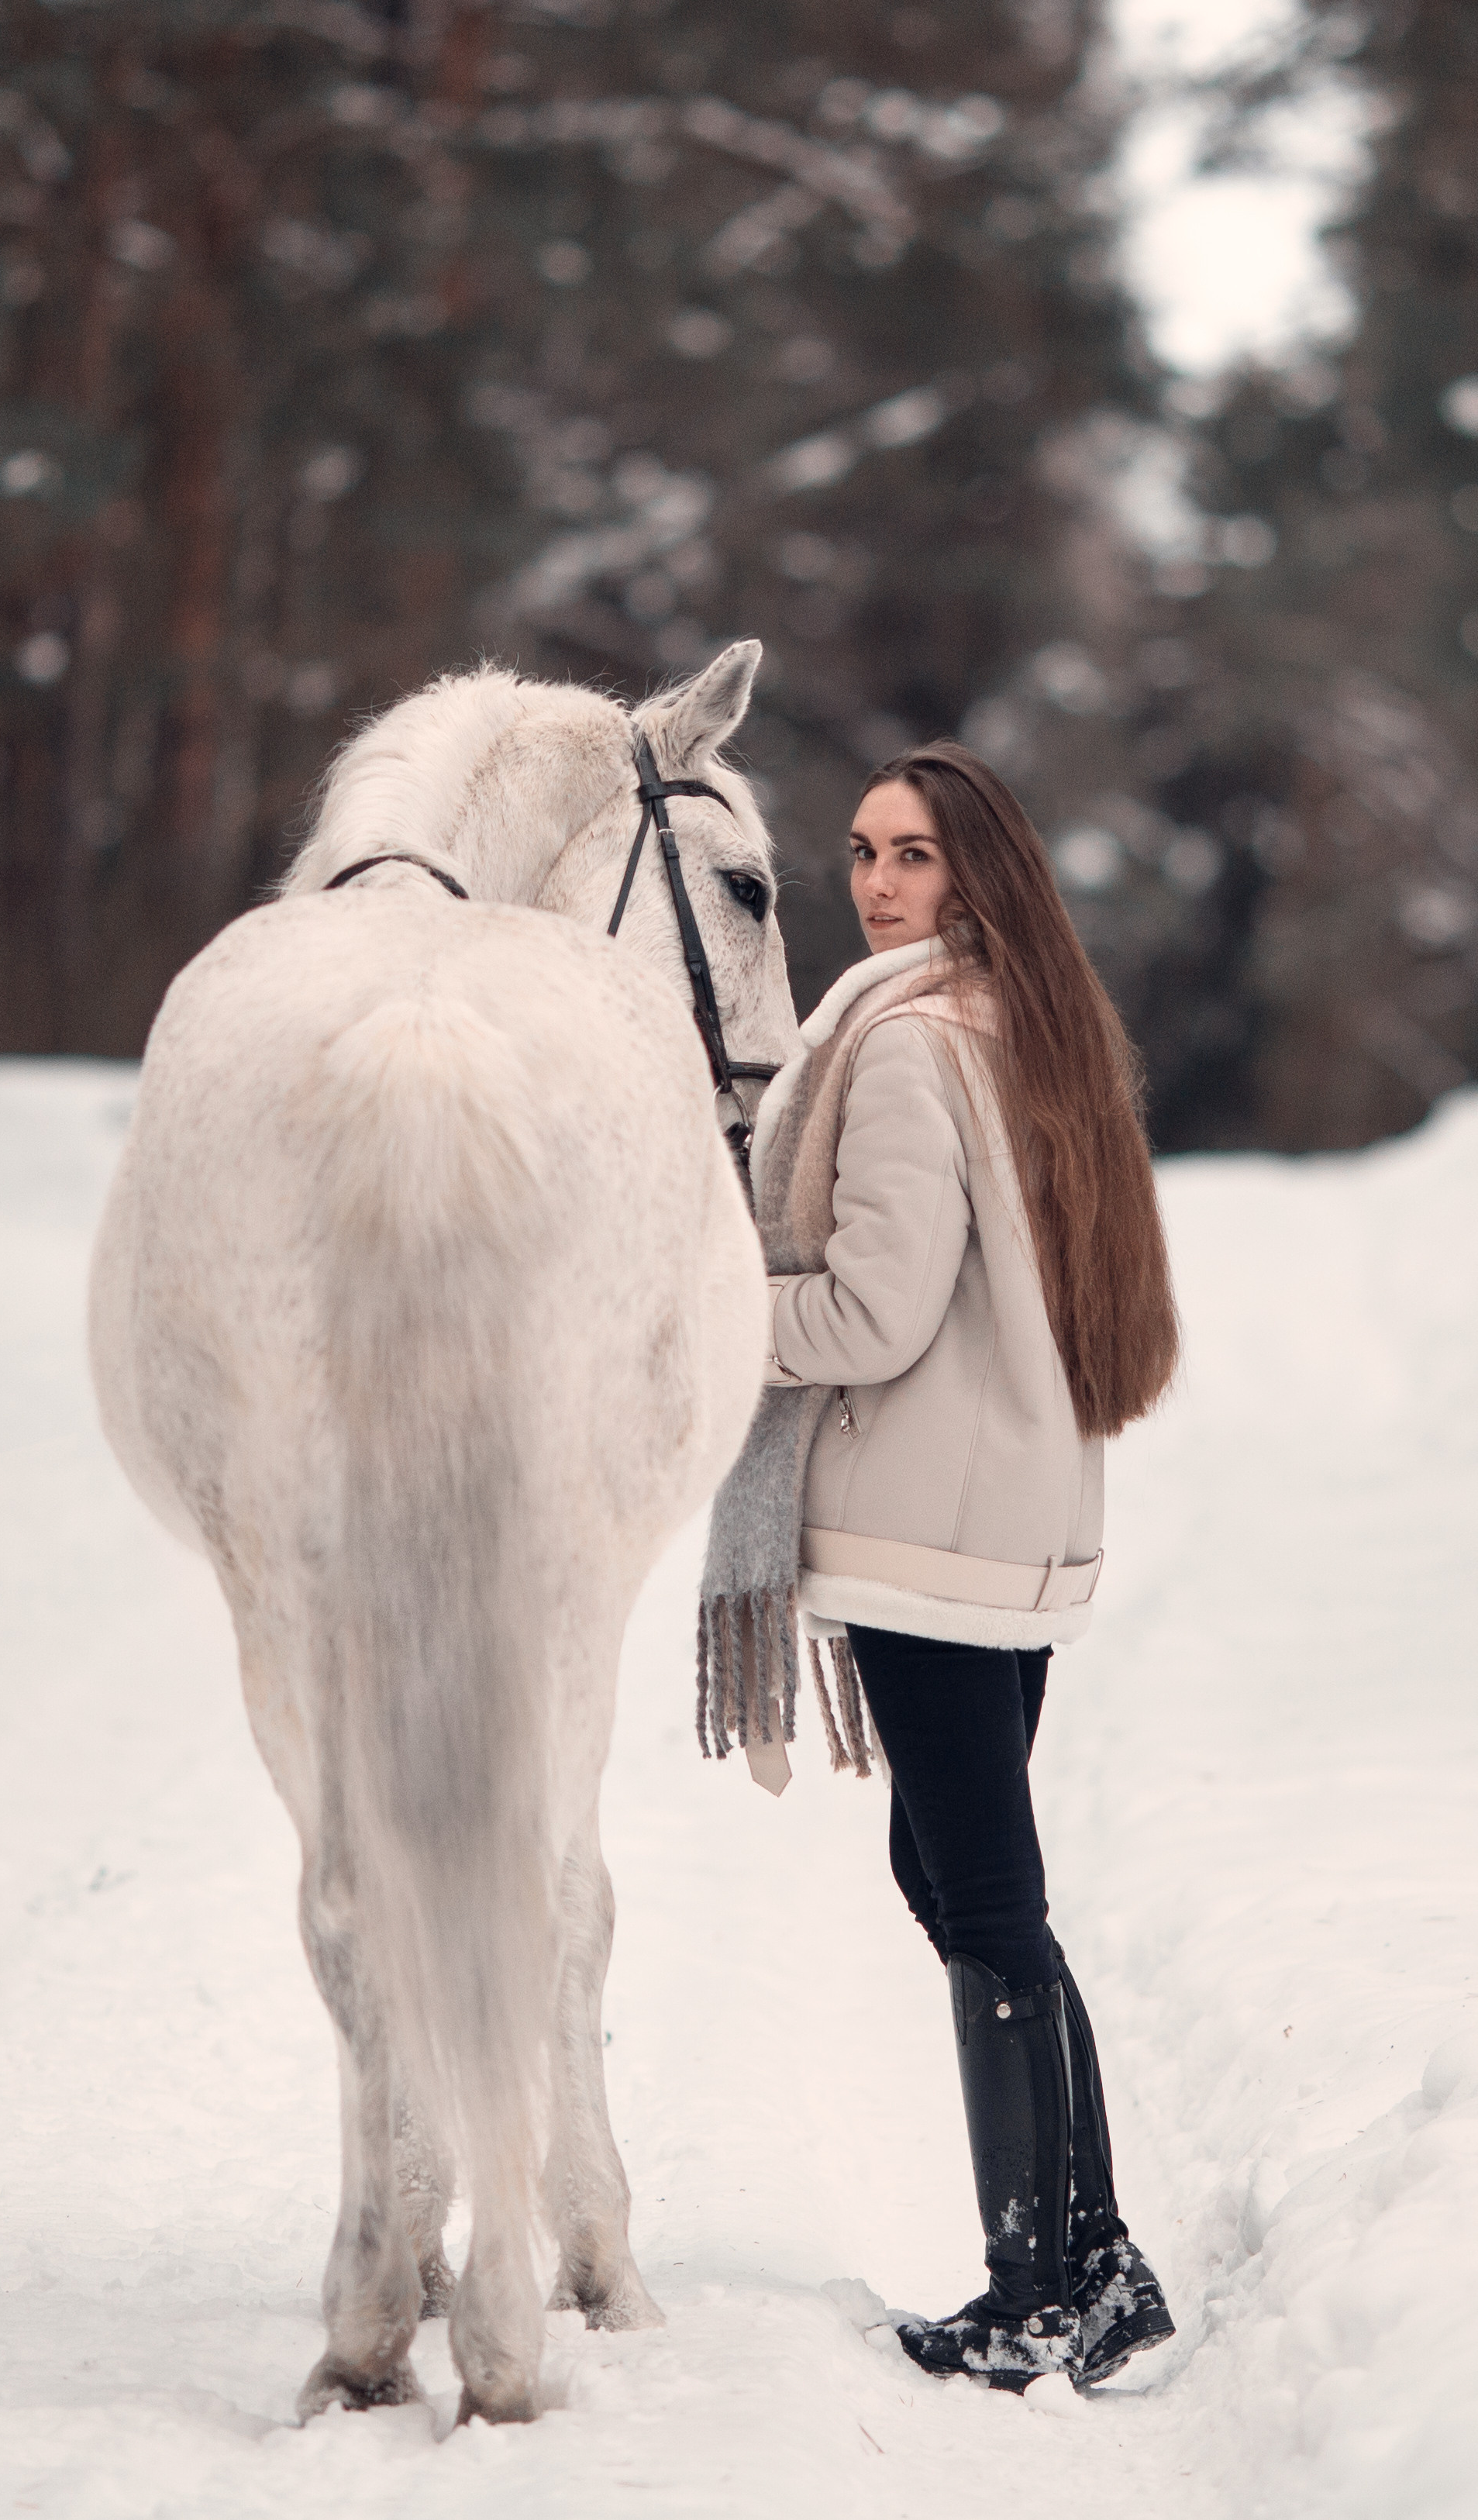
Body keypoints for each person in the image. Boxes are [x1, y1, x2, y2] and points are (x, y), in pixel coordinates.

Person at [699, 741, 1180, 2394]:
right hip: (1018, 1518)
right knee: (970, 1884)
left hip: (925, 1529)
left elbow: (870, 1315)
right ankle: (1095, 2256)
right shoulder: (1034, 1032)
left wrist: (695, 1317)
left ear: (979, 875)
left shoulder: (908, 1053)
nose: (880, 882)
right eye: (864, 851)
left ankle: (1041, 2283)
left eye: (915, 855)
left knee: (980, 1894)